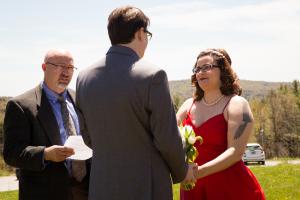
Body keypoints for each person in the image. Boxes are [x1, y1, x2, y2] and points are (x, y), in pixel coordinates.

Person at [76, 6, 196, 200]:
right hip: (145, 186)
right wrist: (183, 171)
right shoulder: (152, 75)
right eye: (147, 34)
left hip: (102, 185)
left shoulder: (83, 77)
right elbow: (166, 138)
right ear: (140, 33)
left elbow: (87, 136)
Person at [177, 48, 266, 199]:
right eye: (197, 68)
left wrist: (197, 172)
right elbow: (167, 136)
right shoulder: (187, 105)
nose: (201, 72)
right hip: (192, 187)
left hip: (230, 187)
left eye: (207, 67)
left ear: (223, 71)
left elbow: (235, 152)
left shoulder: (236, 104)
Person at [3, 49, 90, 200]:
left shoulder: (80, 99)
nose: (66, 72)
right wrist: (45, 154)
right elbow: (11, 154)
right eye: (59, 66)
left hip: (85, 190)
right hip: (45, 193)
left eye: (70, 68)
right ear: (44, 67)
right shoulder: (20, 105)